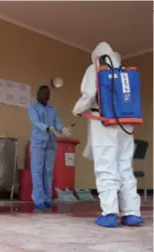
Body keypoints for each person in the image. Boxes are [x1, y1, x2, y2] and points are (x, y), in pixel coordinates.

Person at [72, 41, 143, 227]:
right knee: (125, 166)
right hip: (126, 123)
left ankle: (110, 213)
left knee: (106, 165)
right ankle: (132, 212)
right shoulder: (122, 71)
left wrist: (77, 109)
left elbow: (88, 95)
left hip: (102, 121)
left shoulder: (95, 68)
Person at [28, 85, 72, 210]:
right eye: (43, 92)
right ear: (38, 94)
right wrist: (48, 128)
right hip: (38, 143)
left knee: (48, 172)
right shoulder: (33, 108)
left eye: (48, 93)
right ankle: (39, 200)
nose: (46, 95)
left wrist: (62, 128)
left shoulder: (53, 110)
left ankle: (48, 198)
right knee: (37, 171)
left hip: (51, 144)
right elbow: (36, 122)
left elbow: (57, 123)